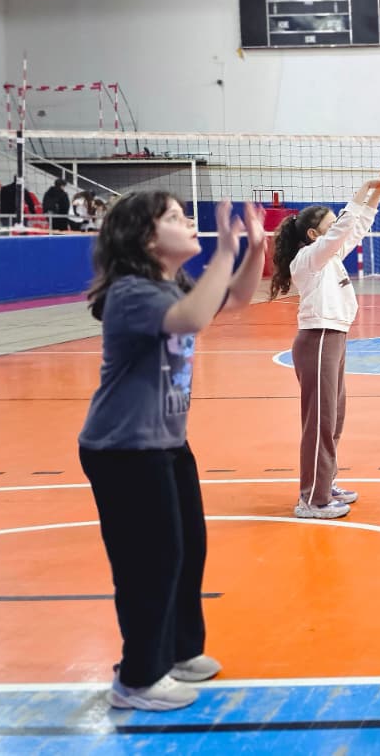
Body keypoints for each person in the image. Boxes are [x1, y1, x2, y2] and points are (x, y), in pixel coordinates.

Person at [78, 192, 267, 711]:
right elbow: (192, 319)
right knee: (150, 562)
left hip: (166, 442)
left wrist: (253, 250)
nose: (189, 224)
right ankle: (136, 678)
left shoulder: (170, 283)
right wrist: (225, 248)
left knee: (186, 551)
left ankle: (179, 652)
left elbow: (234, 301)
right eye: (175, 218)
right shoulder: (132, 292)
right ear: (145, 238)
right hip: (124, 449)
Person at [269, 167, 380, 520]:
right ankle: (312, 499)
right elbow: (343, 228)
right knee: (321, 421)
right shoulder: (308, 259)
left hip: (335, 337)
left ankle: (325, 483)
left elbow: (354, 228)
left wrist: (376, 195)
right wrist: (361, 190)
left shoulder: (329, 257)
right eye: (328, 226)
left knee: (334, 417)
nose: (336, 230)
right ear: (313, 234)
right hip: (318, 339)